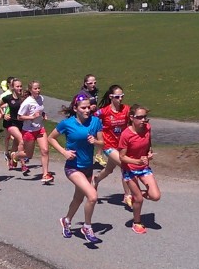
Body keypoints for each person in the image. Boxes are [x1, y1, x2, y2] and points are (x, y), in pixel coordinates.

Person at [49, 93, 104, 244]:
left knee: (78, 199)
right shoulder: (67, 124)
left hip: (88, 167)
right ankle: (87, 226)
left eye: (89, 107)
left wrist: (95, 142)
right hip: (73, 168)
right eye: (83, 108)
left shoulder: (96, 122)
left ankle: (66, 221)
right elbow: (50, 138)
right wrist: (64, 152)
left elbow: (103, 143)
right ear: (75, 108)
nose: (87, 110)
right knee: (92, 196)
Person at [118, 104, 161, 234]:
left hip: (144, 167)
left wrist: (149, 153)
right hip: (130, 169)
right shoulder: (126, 135)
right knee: (140, 199)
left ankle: (132, 196)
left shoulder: (147, 127)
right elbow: (122, 157)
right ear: (132, 118)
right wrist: (137, 161)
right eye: (140, 117)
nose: (143, 120)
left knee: (155, 196)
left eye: (145, 117)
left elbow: (149, 144)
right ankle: (136, 222)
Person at [92, 84, 133, 208]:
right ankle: (127, 196)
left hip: (122, 145)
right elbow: (91, 120)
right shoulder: (104, 111)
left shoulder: (126, 109)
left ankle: (96, 179)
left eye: (122, 96)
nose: (120, 99)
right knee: (125, 165)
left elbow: (132, 123)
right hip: (108, 145)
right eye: (117, 96)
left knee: (109, 170)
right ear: (111, 97)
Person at [14, 80, 52, 183]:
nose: (38, 90)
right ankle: (15, 155)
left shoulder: (41, 98)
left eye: (39, 88)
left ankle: (45, 174)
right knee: (28, 155)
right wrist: (31, 117)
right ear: (31, 90)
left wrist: (43, 114)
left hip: (40, 128)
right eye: (35, 89)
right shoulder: (27, 102)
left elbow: (40, 110)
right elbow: (19, 117)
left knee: (45, 150)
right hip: (28, 130)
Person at [0, 78, 25, 170]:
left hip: (21, 123)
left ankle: (12, 159)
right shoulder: (8, 97)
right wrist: (3, 114)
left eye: (20, 86)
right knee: (21, 140)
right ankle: (23, 164)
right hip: (11, 123)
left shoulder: (24, 98)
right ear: (12, 87)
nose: (19, 88)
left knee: (16, 142)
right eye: (17, 86)